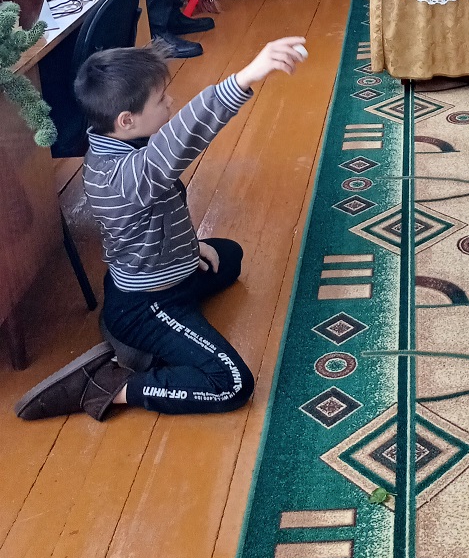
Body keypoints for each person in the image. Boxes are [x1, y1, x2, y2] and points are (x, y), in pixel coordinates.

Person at [15, 36, 307, 422]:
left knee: (230, 256)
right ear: (126, 119)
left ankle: (141, 342)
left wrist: (190, 246)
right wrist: (245, 77)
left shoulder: (122, 140)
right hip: (146, 303)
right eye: (161, 100)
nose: (170, 102)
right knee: (233, 383)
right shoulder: (120, 177)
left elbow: (160, 210)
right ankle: (110, 385)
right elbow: (181, 138)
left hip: (167, 271)